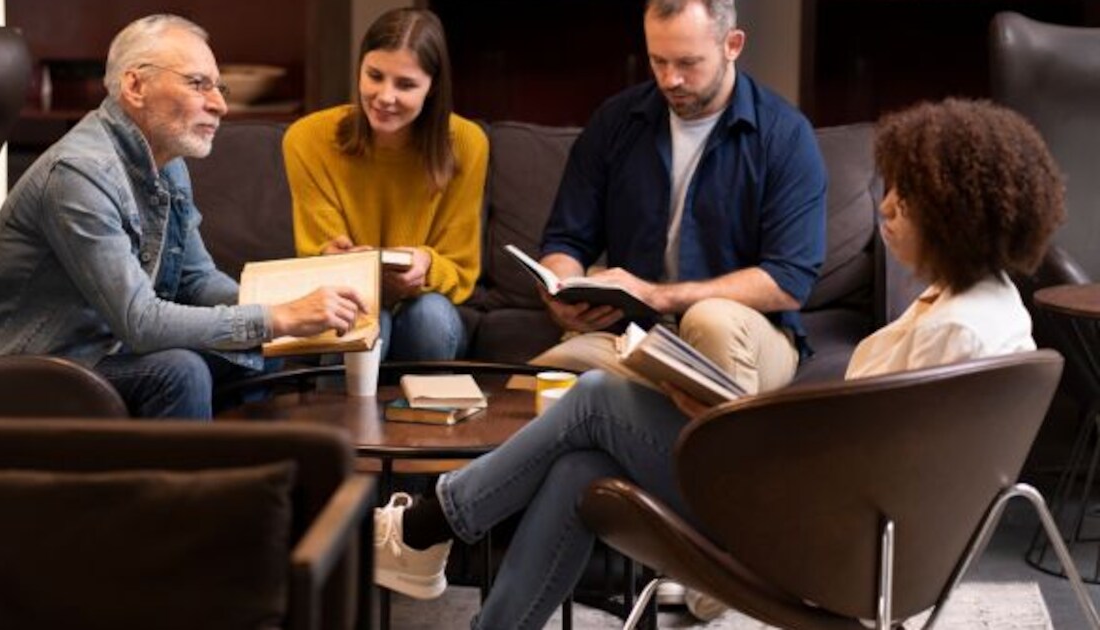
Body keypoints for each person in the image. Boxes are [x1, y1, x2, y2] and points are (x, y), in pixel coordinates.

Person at [372, 97, 1065, 629]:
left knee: (595, 399)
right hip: (846, 527)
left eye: (906, 200)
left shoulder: (955, 336)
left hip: (821, 543)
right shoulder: (989, 307)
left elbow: (860, 466)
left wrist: (737, 430)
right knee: (582, 465)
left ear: (955, 215)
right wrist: (728, 416)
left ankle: (429, 523)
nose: (884, 209)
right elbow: (863, 450)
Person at [0, 15, 368, 420]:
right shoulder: (78, 175)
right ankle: (179, 493)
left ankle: (238, 479)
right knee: (180, 370)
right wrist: (277, 317)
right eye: (197, 84)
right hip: (18, 370)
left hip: (97, 350)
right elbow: (141, 322)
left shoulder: (165, 159)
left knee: (261, 350)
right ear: (135, 86)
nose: (220, 104)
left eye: (218, 87)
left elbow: (196, 279)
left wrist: (284, 311)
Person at [528, 0, 826, 397]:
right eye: (658, 61)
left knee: (710, 320)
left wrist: (657, 295)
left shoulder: (785, 136)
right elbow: (566, 239)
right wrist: (560, 289)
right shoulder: (616, 122)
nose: (670, 80)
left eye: (688, 63)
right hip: (635, 334)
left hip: (748, 334)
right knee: (539, 384)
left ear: (732, 45)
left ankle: (674, 415)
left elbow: (789, 280)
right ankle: (655, 415)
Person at [283, 8, 488, 362]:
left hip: (426, 308)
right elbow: (317, 255)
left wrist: (426, 263)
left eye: (406, 84)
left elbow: (460, 270)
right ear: (359, 67)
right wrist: (337, 260)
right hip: (347, 296)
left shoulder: (467, 144)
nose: (384, 97)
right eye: (374, 76)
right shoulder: (307, 139)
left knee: (430, 317)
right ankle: (339, 419)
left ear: (433, 86)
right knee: (363, 315)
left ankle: (423, 415)